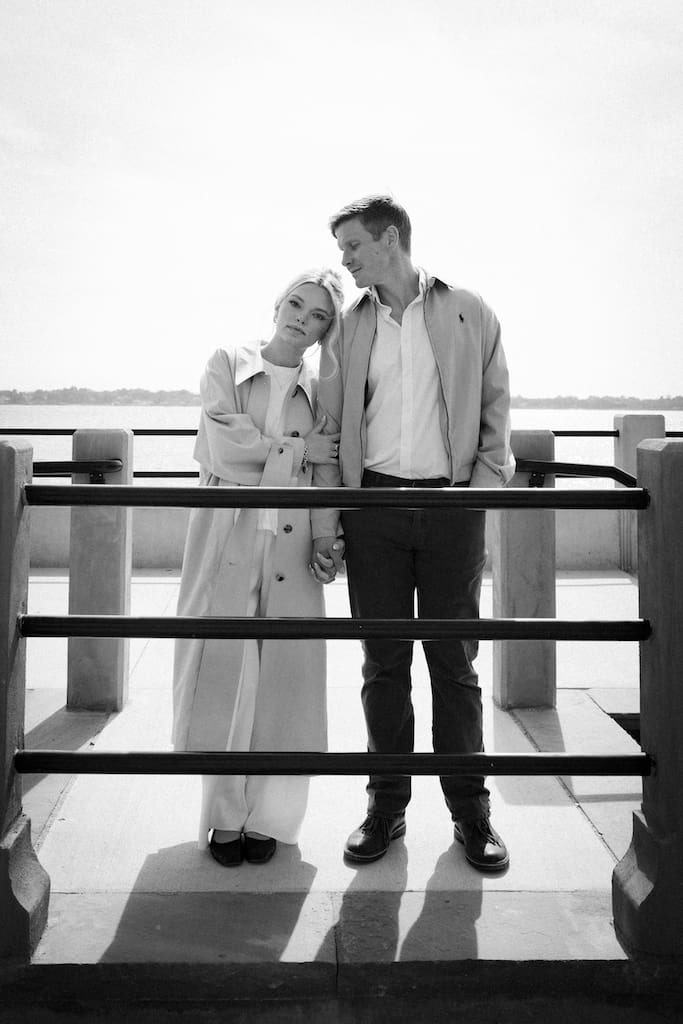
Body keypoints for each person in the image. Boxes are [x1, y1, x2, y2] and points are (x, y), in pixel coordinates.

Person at [311, 195, 515, 871]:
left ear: (389, 238)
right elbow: (331, 429)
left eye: (351, 246)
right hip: (372, 512)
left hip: (452, 510)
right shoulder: (346, 328)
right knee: (382, 665)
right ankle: (385, 808)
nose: (343, 258)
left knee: (453, 665)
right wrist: (330, 517)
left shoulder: (467, 310)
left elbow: (495, 409)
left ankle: (471, 815)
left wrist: (476, 495)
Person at [172, 268, 345, 867]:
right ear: (278, 304)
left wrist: (329, 536)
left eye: (318, 314)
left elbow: (329, 471)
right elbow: (224, 445)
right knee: (228, 672)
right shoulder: (226, 360)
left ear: (327, 330)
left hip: (294, 542)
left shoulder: (325, 388)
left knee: (287, 679)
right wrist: (296, 452)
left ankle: (271, 819)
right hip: (227, 532)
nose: (302, 317)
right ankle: (223, 820)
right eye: (297, 303)